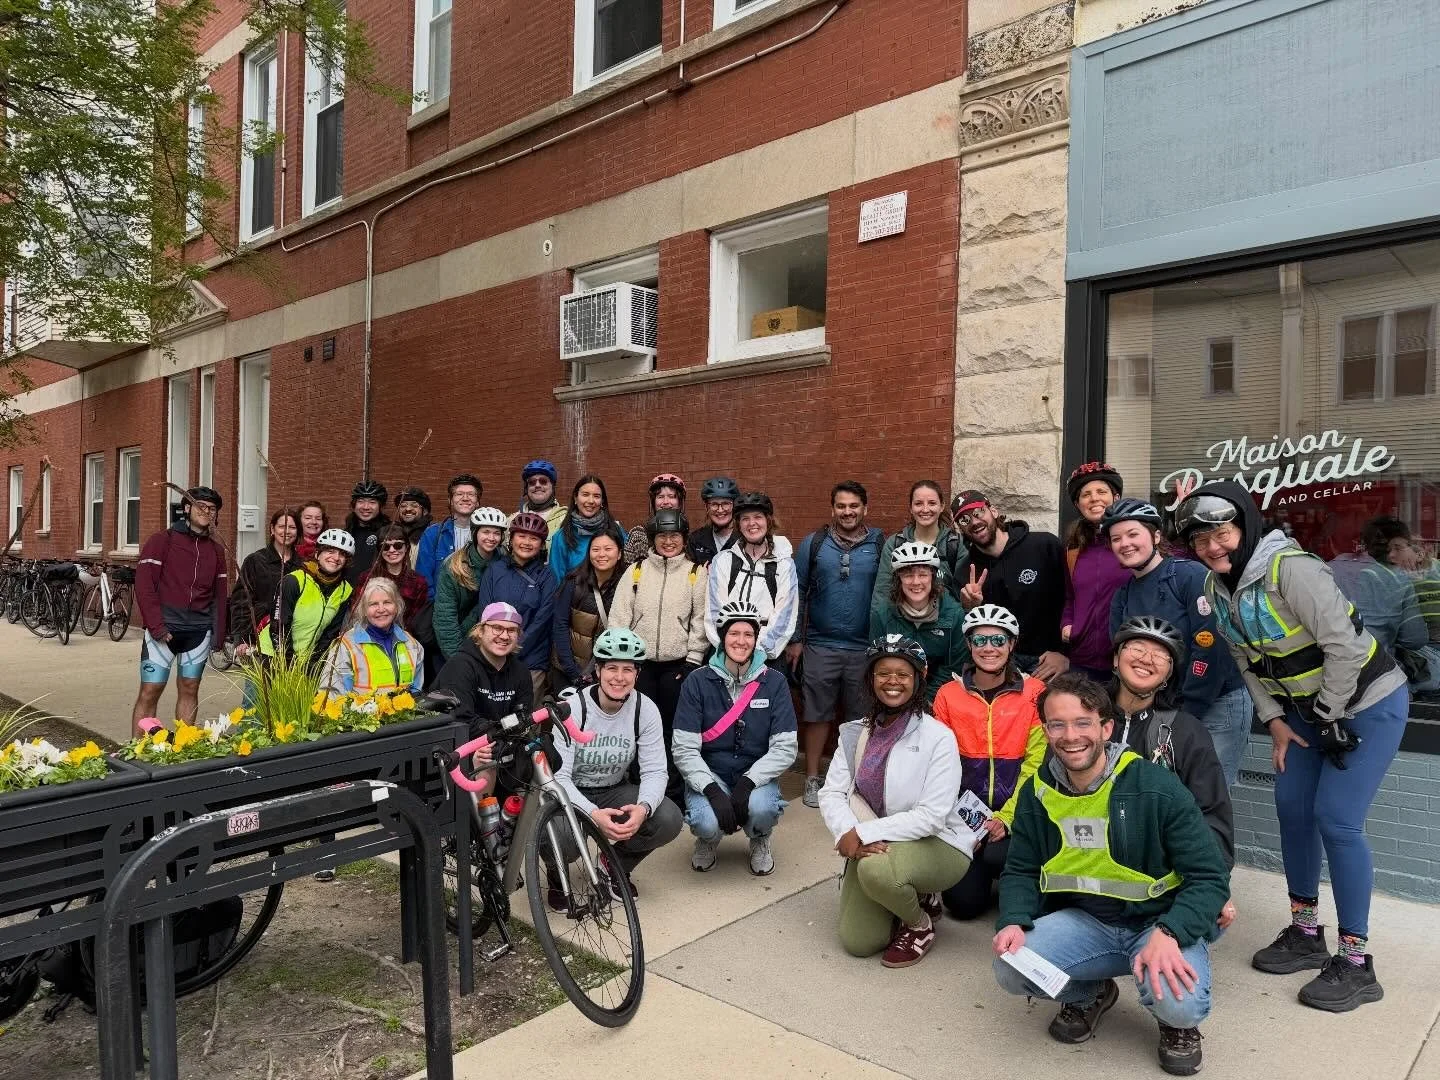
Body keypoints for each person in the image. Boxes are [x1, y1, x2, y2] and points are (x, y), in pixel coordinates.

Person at [1175, 481, 1409, 1012]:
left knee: (1337, 818)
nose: (1213, 547)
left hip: (1369, 702)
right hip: (1308, 713)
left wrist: (1327, 716)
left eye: (1222, 533)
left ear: (1245, 527)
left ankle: (1356, 962)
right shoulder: (1218, 588)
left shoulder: (1291, 569)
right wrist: (1275, 721)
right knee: (1292, 810)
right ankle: (1306, 931)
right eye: (1201, 540)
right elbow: (1246, 662)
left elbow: (1344, 648)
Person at [992, 673, 1229, 1077]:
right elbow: (1021, 868)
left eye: (1083, 723)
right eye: (1058, 725)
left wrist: (1171, 932)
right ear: (1046, 730)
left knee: (1182, 1005)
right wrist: (1013, 918)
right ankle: (1092, 992)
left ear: (1106, 727)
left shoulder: (1155, 786)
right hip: (1087, 923)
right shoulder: (1037, 789)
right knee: (1011, 967)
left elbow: (1209, 877)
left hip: (1157, 923)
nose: (1071, 736)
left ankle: (1175, 1024)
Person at [819, 634, 972, 967]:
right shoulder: (855, 732)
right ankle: (904, 890)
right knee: (859, 942)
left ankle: (919, 923)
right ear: (870, 679)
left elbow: (932, 816)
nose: (892, 681)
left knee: (876, 872)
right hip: (878, 841)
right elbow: (832, 791)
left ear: (919, 679)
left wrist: (863, 834)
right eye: (882, 673)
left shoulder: (938, 737)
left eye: (902, 674)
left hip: (938, 843)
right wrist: (846, 831)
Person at [1104, 498, 1252, 788]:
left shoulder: (1190, 576)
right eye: (1116, 539)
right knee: (1167, 795)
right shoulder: (1123, 595)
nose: (1125, 544)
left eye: (1133, 534)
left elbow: (1211, 647)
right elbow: (1121, 656)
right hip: (1163, 705)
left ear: (1156, 536)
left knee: (1206, 796)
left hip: (1215, 702)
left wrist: (1187, 711)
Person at [930, 604, 1045, 920]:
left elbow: (1036, 765)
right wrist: (962, 821)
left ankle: (1011, 872)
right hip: (967, 814)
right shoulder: (948, 695)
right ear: (969, 645)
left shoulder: (1035, 693)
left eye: (998, 640)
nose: (989, 648)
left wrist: (1006, 818)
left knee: (1001, 859)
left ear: (1012, 644)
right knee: (963, 906)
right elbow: (942, 766)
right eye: (980, 640)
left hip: (1017, 812)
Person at [553, 628, 685, 894]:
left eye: (628, 669)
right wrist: (592, 813)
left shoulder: (644, 709)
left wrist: (644, 809)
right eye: (612, 668)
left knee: (668, 818)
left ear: (637, 674)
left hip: (614, 789)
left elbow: (656, 771)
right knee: (561, 838)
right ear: (598, 670)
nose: (619, 678)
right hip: (570, 792)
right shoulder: (572, 709)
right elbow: (559, 777)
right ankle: (557, 873)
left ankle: (614, 864)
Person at [673, 601, 797, 876]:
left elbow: (785, 747)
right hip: (711, 772)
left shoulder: (774, 682)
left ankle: (760, 838)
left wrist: (749, 781)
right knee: (706, 821)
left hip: (755, 773)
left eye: (748, 635)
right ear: (722, 637)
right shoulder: (697, 681)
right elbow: (684, 748)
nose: (741, 641)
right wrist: (711, 789)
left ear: (755, 639)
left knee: (762, 809)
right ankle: (708, 839)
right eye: (734, 634)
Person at [1109, 616, 1235, 878]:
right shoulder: (1083, 719)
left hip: (1159, 874)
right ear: (1115, 659)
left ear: (1168, 674)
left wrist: (1213, 881)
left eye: (1160, 654)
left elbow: (1212, 814)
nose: (1146, 658)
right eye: (1137, 647)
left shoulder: (1186, 732)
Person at [787, 481, 885, 808]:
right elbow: (798, 591)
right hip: (820, 644)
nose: (847, 512)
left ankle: (855, 780)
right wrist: (796, 640)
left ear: (865, 509)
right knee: (816, 714)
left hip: (864, 648)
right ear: (833, 509)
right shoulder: (813, 544)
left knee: (861, 717)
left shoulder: (879, 543)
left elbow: (887, 593)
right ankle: (813, 777)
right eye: (841, 506)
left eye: (854, 506)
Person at [608, 509, 708, 803]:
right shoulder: (636, 570)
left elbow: (700, 621)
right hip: (639, 666)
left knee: (673, 730)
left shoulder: (694, 573)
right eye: (662, 536)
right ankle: (641, 789)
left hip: (677, 665)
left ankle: (674, 795)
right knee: (639, 727)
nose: (668, 542)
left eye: (674, 535)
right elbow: (619, 616)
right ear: (653, 539)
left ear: (683, 538)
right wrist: (623, 660)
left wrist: (692, 659)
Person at [132, 486, 230, 732]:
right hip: (164, 630)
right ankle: (136, 751)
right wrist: (156, 626)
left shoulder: (216, 551)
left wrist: (218, 634)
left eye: (212, 509)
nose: (206, 512)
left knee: (190, 689)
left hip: (198, 631)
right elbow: (144, 586)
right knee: (150, 690)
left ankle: (183, 748)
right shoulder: (161, 541)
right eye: (201, 506)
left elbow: (219, 596)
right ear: (187, 508)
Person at [951, 489, 1069, 680]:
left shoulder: (1044, 545)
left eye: (978, 512)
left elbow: (1074, 601)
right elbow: (971, 632)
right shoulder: (966, 572)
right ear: (960, 529)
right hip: (1002, 666)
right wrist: (971, 608)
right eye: (964, 520)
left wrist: (1065, 654)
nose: (973, 522)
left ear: (994, 511)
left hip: (1050, 661)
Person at [1330, 516, 1440, 693]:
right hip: (1377, 677)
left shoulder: (1325, 571)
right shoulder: (1398, 578)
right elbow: (1414, 639)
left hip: (1332, 672)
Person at [869, 542, 968, 705]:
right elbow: (877, 664)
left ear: (933, 577)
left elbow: (954, 666)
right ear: (898, 579)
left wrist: (926, 700)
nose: (916, 582)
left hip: (940, 695)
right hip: (895, 693)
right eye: (908, 575)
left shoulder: (954, 614)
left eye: (923, 574)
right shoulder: (882, 615)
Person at [705, 491, 798, 664]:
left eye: (758, 517)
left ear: (768, 521)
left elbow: (785, 616)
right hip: (727, 654)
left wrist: (757, 652)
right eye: (745, 519)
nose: (752, 523)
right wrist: (731, 649)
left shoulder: (784, 564)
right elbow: (714, 612)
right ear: (738, 524)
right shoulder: (722, 561)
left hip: (767, 656)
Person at [476, 511, 559, 699]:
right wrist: (498, 646)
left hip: (531, 660)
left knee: (528, 717)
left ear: (541, 544)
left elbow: (542, 620)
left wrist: (513, 648)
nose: (527, 543)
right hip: (493, 655)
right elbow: (485, 612)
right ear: (511, 539)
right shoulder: (494, 570)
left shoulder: (547, 577)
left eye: (534, 538)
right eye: (521, 536)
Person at [1061, 462, 1129, 681]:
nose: (1094, 498)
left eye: (1102, 491)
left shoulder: (1131, 546)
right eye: (1086, 494)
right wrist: (1067, 625)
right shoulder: (1073, 551)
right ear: (1078, 504)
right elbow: (1070, 597)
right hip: (1083, 660)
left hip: (1127, 659)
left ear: (1115, 498)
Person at [432, 601, 534, 738]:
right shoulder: (460, 666)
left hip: (505, 745)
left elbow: (523, 719)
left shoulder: (521, 672)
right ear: (480, 631)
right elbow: (461, 719)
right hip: (464, 747)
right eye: (497, 628)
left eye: (511, 630)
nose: (504, 636)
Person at [258, 528, 355, 668]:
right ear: (318, 553)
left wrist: (314, 662)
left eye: (342, 554)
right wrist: (288, 661)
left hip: (306, 660)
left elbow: (331, 633)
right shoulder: (294, 581)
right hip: (274, 656)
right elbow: (279, 625)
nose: (336, 557)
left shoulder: (345, 590)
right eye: (330, 551)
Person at [550, 522, 626, 690]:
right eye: (596, 549)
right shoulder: (573, 582)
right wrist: (572, 671)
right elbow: (560, 625)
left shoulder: (627, 585)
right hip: (566, 669)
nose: (601, 554)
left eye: (608, 549)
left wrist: (596, 672)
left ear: (619, 553)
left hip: (605, 672)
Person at [320, 576, 425, 696]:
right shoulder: (345, 646)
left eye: (387, 602)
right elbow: (333, 697)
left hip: (405, 714)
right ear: (363, 609)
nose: (381, 609)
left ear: (397, 606)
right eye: (373, 604)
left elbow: (416, 694)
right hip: (359, 714)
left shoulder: (412, 645)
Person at [871, 480, 960, 617]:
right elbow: (882, 593)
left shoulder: (955, 544)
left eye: (932, 503)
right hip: (902, 627)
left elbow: (963, 596)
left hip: (945, 628)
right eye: (918, 503)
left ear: (942, 506)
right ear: (911, 508)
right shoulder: (895, 544)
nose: (925, 509)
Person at [433, 506, 507, 662]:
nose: (491, 538)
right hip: (460, 639)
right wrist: (456, 659)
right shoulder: (454, 566)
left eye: (496, 533)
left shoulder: (505, 561)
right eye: (486, 532)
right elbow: (445, 619)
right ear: (475, 533)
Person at [229, 507, 299, 652]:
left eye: (292, 527)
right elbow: (241, 601)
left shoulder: (302, 565)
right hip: (257, 637)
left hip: (293, 639)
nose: (287, 531)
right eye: (282, 526)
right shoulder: (255, 561)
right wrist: (242, 638)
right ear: (272, 529)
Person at [354, 524, 430, 637]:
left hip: (404, 638)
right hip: (369, 636)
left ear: (407, 547)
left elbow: (416, 619)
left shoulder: (418, 582)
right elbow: (358, 611)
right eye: (385, 546)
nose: (392, 550)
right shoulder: (366, 578)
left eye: (398, 545)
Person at [414, 474, 482, 592]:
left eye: (471, 494)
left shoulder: (486, 535)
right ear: (450, 500)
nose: (465, 498)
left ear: (477, 502)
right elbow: (423, 579)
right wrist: (436, 606)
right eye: (459, 494)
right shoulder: (433, 534)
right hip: (440, 606)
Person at [548, 474, 621, 582]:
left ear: (602, 502)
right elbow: (557, 583)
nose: (591, 501)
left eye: (596, 496)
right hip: (574, 597)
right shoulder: (561, 537)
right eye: (585, 494)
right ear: (575, 498)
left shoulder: (616, 530)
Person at [625, 473, 686, 563]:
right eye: (660, 497)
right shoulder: (638, 534)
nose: (666, 502)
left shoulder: (686, 532)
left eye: (671, 496)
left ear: (680, 502)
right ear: (653, 502)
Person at [344, 480, 391, 584]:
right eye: (361, 501)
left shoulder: (388, 531)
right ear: (354, 505)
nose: (366, 507)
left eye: (372, 502)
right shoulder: (346, 532)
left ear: (381, 506)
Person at [687, 476, 741, 567]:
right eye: (714, 504)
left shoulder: (745, 539)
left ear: (734, 506)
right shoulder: (695, 540)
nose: (720, 510)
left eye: (726, 504)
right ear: (706, 507)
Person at [518, 460, 567, 554]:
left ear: (552, 486)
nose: (537, 485)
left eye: (543, 481)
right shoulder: (512, 520)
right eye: (532, 482)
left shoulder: (566, 519)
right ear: (526, 488)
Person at [394, 487, 433, 563]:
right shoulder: (392, 532)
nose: (408, 509)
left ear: (424, 511)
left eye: (414, 506)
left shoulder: (432, 534)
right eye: (403, 506)